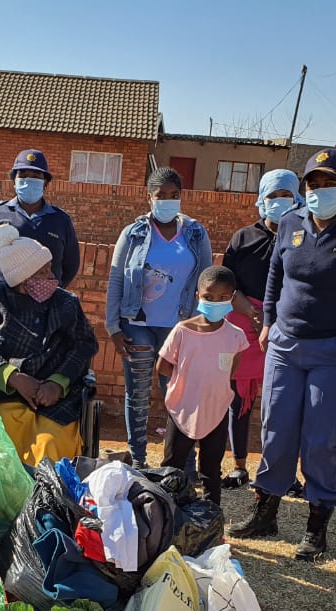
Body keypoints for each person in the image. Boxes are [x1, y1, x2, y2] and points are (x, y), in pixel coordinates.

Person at [230, 148, 336, 560]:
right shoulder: (290, 223)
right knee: (276, 431)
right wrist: (267, 321)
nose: (321, 190)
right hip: (285, 345)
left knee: (323, 439)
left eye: (330, 182)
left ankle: (316, 529)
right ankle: (265, 513)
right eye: (314, 183)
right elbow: (275, 276)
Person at [0, 224, 98, 465]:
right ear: (23, 279)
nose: (51, 278)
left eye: (49, 269)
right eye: (42, 272)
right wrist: (12, 377)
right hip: (1, 396)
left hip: (57, 402)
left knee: (51, 448)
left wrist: (58, 383)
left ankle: (48, 501)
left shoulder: (66, 304)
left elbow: (84, 345)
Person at [104, 166, 213, 467]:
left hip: (179, 329)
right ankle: (137, 460)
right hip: (135, 326)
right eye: (160, 195)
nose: (167, 200)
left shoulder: (194, 233)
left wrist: (201, 325)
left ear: (181, 197)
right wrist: (113, 326)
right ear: (149, 197)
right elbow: (116, 280)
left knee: (178, 397)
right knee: (137, 395)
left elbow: (206, 281)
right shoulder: (133, 233)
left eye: (173, 195)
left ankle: (180, 464)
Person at [221, 168, 300, 490]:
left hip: (288, 328)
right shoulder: (244, 238)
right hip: (243, 324)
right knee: (239, 401)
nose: (279, 202)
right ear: (261, 200)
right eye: (273, 196)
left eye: (286, 196)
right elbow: (226, 281)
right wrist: (253, 313)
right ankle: (239, 466)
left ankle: (280, 471)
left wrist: (278, 317)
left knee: (282, 404)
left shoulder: (302, 236)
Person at [157, 266, 249, 505]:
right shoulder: (183, 331)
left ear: (232, 298)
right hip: (182, 410)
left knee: (211, 470)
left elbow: (232, 368)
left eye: (222, 298)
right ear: (198, 295)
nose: (215, 302)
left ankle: (211, 519)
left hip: (216, 411)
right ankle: (165, 516)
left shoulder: (236, 335)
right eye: (209, 297)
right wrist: (187, 380)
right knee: (172, 467)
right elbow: (163, 366)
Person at [0, 149, 80, 289]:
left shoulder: (61, 221)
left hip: (45, 304)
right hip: (1, 303)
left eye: (36, 175)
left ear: (45, 182)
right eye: (23, 175)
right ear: (14, 181)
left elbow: (71, 266)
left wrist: (51, 292)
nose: (29, 180)